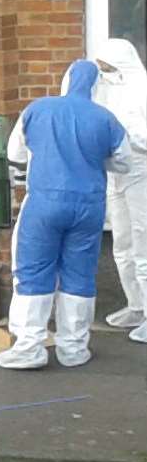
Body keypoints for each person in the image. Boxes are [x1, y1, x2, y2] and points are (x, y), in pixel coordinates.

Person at [0, 60, 133, 369]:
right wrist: (98, 162)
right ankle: (73, 348)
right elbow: (124, 161)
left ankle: (29, 346)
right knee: (79, 274)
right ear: (95, 87)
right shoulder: (106, 119)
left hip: (44, 201)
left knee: (33, 270)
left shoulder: (38, 109)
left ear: (65, 80)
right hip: (89, 206)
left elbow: (15, 154)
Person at [90, 39, 147, 343]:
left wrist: (126, 133)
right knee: (122, 243)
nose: (105, 73)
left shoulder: (142, 89)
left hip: (141, 172)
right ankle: (136, 304)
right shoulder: (105, 89)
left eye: (109, 67)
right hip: (115, 172)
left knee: (143, 242)